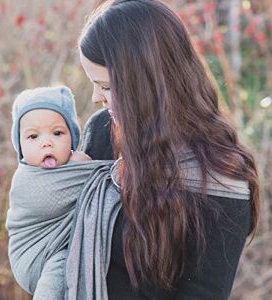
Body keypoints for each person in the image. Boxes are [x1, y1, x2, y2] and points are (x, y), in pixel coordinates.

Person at [73, 0, 260, 299]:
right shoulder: (103, 133)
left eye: (107, 86)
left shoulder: (221, 174)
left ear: (147, 82)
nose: (97, 97)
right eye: (94, 84)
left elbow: (203, 293)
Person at [6, 86, 95, 299]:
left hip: (64, 246)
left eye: (57, 133)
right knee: (61, 266)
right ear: (20, 146)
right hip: (34, 254)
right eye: (33, 136)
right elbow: (46, 201)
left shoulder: (80, 163)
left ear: (72, 138)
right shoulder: (25, 177)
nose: (46, 142)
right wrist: (86, 170)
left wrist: (79, 167)